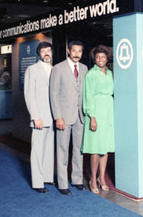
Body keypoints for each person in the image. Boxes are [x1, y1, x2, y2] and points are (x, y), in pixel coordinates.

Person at [50, 40, 88, 195]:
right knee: (62, 150)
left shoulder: (85, 68)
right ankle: (62, 183)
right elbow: (53, 94)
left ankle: (77, 180)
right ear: (68, 51)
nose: (77, 54)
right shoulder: (58, 68)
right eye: (74, 51)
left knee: (79, 150)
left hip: (80, 117)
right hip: (64, 117)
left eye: (79, 51)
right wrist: (58, 117)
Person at [82, 45, 115, 194]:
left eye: (103, 57)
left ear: (107, 59)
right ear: (94, 59)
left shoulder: (110, 73)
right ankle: (93, 179)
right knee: (95, 148)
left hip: (108, 111)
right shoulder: (91, 74)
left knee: (105, 147)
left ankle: (102, 178)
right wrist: (92, 117)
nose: (101, 59)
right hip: (96, 112)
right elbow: (88, 96)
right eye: (98, 57)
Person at [24, 41, 55, 193]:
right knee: (37, 150)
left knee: (49, 149)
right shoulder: (32, 69)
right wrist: (35, 116)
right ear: (39, 53)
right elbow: (29, 95)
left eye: (49, 50)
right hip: (39, 118)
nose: (46, 53)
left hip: (53, 117)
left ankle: (47, 177)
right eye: (43, 51)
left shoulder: (54, 70)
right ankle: (37, 182)